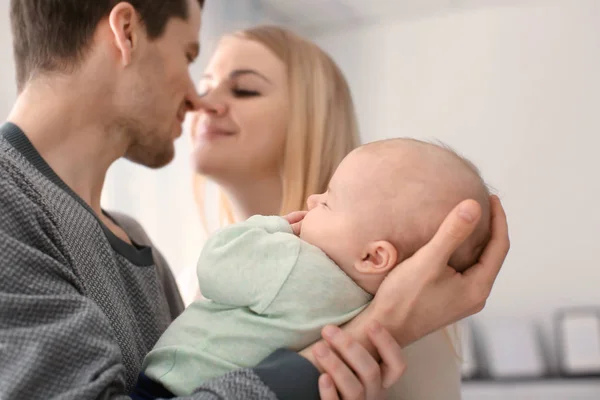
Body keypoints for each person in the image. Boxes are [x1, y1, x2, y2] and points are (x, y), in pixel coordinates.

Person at [0, 1, 509, 399]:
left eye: (244, 90)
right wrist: (372, 332)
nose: (200, 100)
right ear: (126, 32)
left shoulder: (146, 253)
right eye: (191, 58)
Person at [189, 25, 494, 399]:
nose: (203, 103)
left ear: (311, 118)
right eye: (204, 86)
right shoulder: (207, 278)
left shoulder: (405, 306)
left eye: (244, 90)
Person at [138, 138, 492, 398]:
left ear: (373, 257)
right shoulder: (365, 309)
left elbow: (215, 262)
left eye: (328, 201)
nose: (311, 200)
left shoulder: (291, 264)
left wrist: (274, 227)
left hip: (174, 385)